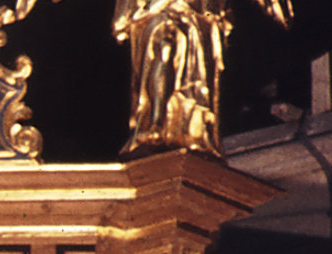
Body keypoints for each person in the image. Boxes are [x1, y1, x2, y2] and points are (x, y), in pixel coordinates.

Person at [113, 0, 292, 156]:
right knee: (162, 47)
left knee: (196, 72)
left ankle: (189, 130)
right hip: (157, 8)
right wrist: (123, 16)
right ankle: (156, 122)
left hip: (200, 13)